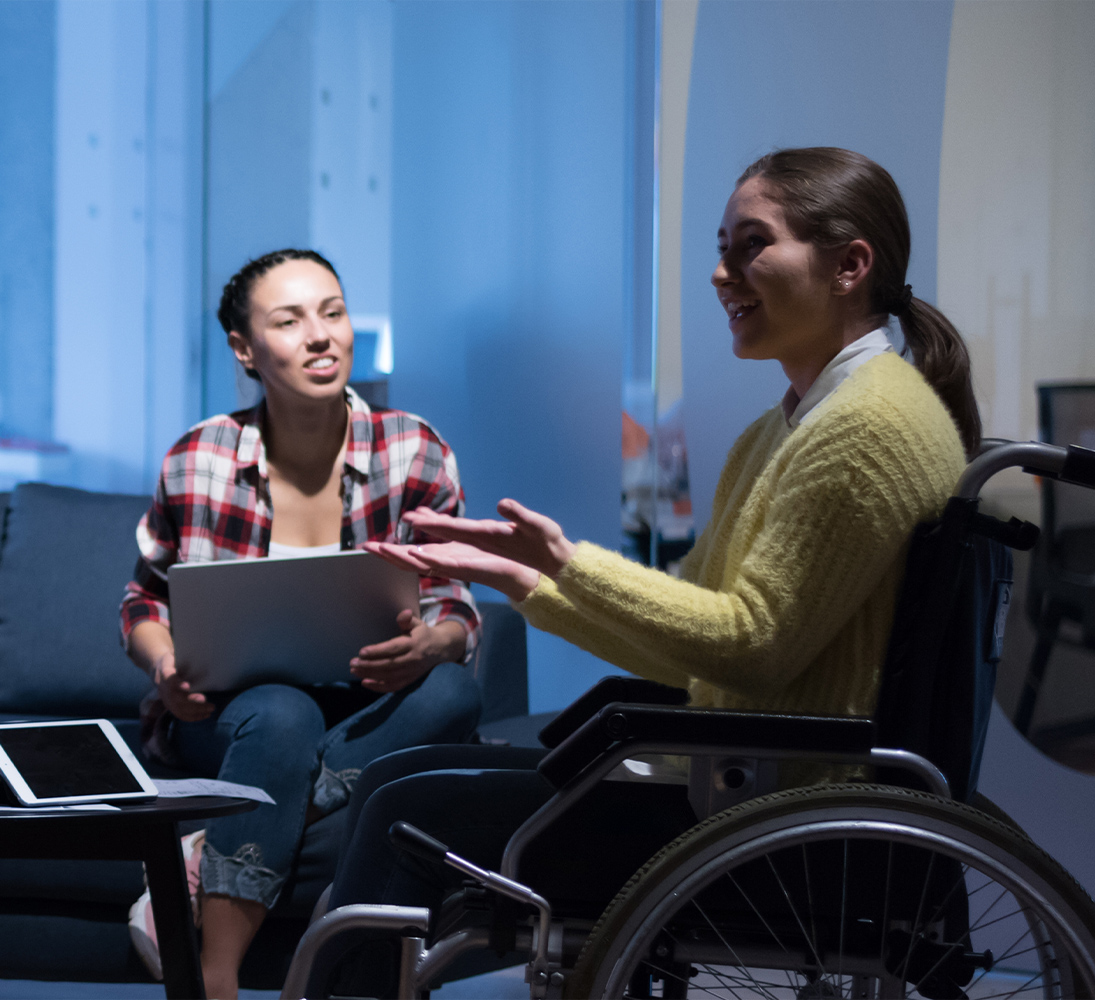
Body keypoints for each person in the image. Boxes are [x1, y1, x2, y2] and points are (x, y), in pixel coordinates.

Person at [316, 147, 978, 994]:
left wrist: (565, 559)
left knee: (408, 805)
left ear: (850, 265)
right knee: (397, 778)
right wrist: (526, 581)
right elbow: (700, 627)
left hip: (775, 809)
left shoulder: (866, 428)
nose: (719, 273)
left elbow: (751, 646)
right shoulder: (793, 423)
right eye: (721, 245)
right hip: (743, 775)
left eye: (749, 245)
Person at [120, 248, 484, 997]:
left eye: (333, 311)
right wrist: (165, 667)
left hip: (369, 704)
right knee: (283, 714)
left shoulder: (414, 449)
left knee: (454, 693)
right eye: (289, 321)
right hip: (234, 713)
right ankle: (213, 977)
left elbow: (454, 605)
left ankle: (206, 855)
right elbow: (144, 604)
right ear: (245, 350)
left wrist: (430, 644)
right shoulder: (201, 457)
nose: (321, 335)